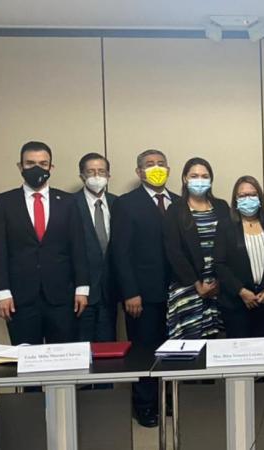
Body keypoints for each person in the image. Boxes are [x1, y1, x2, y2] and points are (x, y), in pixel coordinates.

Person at [0, 141, 89, 345]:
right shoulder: (4, 202)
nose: (37, 168)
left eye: (43, 164)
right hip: (20, 298)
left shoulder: (68, 202)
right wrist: (2, 293)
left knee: (64, 358)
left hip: (62, 297)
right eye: (30, 163)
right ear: (20, 166)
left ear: (51, 167)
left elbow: (79, 247)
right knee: (26, 357)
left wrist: (82, 289)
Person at [110, 148, 178, 427]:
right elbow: (120, 252)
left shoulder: (179, 202)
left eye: (161, 163)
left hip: (178, 293)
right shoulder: (126, 203)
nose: (156, 168)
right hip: (142, 294)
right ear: (139, 172)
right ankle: (146, 405)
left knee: (174, 350)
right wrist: (130, 292)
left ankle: (170, 400)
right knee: (144, 350)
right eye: (150, 164)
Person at [164, 157, 227, 339]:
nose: (200, 180)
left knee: (217, 341)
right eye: (194, 176)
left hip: (218, 285)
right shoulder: (175, 209)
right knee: (190, 343)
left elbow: (230, 244)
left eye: (204, 176)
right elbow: (174, 251)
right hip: (188, 285)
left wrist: (219, 282)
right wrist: (198, 285)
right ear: (185, 178)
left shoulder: (221, 207)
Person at [214, 176, 264, 338]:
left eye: (253, 194)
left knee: (263, 349)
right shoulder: (225, 226)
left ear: (260, 198)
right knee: (238, 348)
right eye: (242, 195)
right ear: (235, 200)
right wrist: (241, 291)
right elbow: (219, 264)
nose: (248, 199)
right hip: (235, 302)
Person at [72, 152, 118, 343]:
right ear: (82, 176)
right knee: (81, 347)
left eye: (101, 171)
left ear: (109, 175)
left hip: (110, 291)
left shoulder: (118, 203)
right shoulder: (69, 204)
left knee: (109, 347)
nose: (97, 176)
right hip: (79, 293)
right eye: (91, 172)